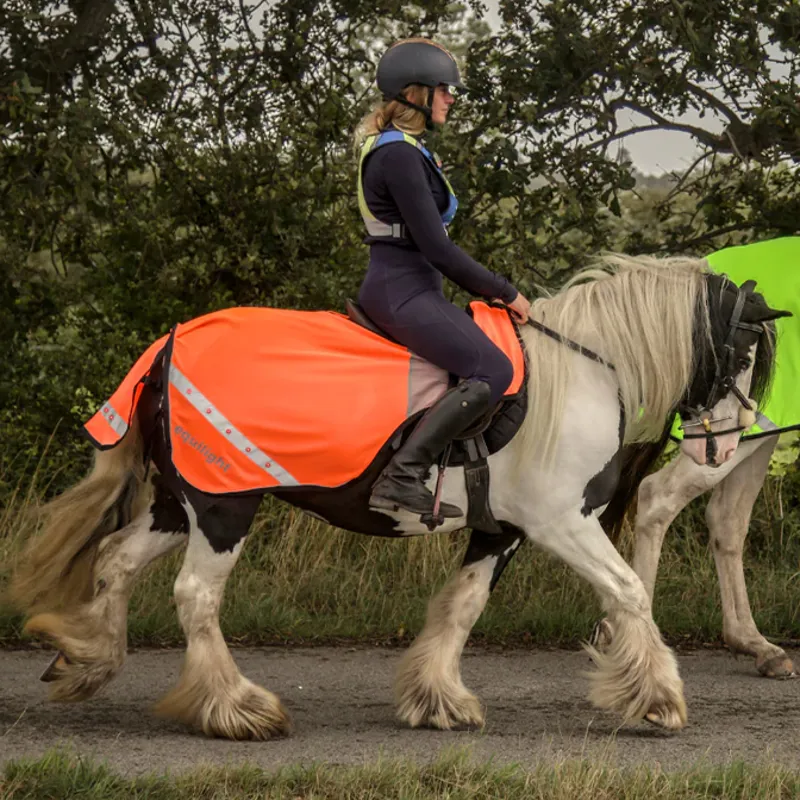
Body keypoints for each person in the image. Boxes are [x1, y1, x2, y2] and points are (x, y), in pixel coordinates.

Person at [355, 37, 532, 521]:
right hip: (403, 291)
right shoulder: (398, 156)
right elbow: (437, 248)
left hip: (412, 287)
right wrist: (505, 291)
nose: (452, 99)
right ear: (416, 93)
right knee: (495, 371)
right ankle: (403, 476)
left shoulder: (406, 149)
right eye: (445, 89)